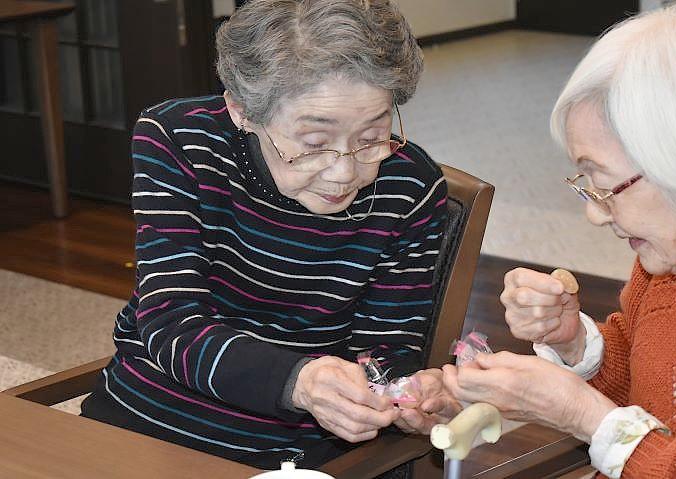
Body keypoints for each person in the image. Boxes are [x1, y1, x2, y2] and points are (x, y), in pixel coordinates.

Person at [80, 0, 459, 470]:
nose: (344, 172)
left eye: (371, 136)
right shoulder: (178, 139)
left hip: (293, 452)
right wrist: (298, 380)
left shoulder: (411, 186)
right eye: (314, 145)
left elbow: (384, 348)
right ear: (241, 110)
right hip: (143, 418)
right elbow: (170, 322)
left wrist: (407, 393)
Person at [443, 3, 676, 478]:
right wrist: (574, 342)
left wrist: (584, 415)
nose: (593, 212)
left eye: (607, 185)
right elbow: (651, 383)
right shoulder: (670, 258)